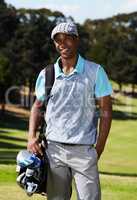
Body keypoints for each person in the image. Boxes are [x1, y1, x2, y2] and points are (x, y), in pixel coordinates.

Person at [27, 22, 112, 200]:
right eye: (58, 40)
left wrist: (99, 147)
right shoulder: (47, 73)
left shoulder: (95, 71)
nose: (62, 43)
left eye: (67, 39)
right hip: (53, 151)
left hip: (84, 152)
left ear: (77, 40)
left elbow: (106, 110)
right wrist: (31, 137)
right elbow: (37, 106)